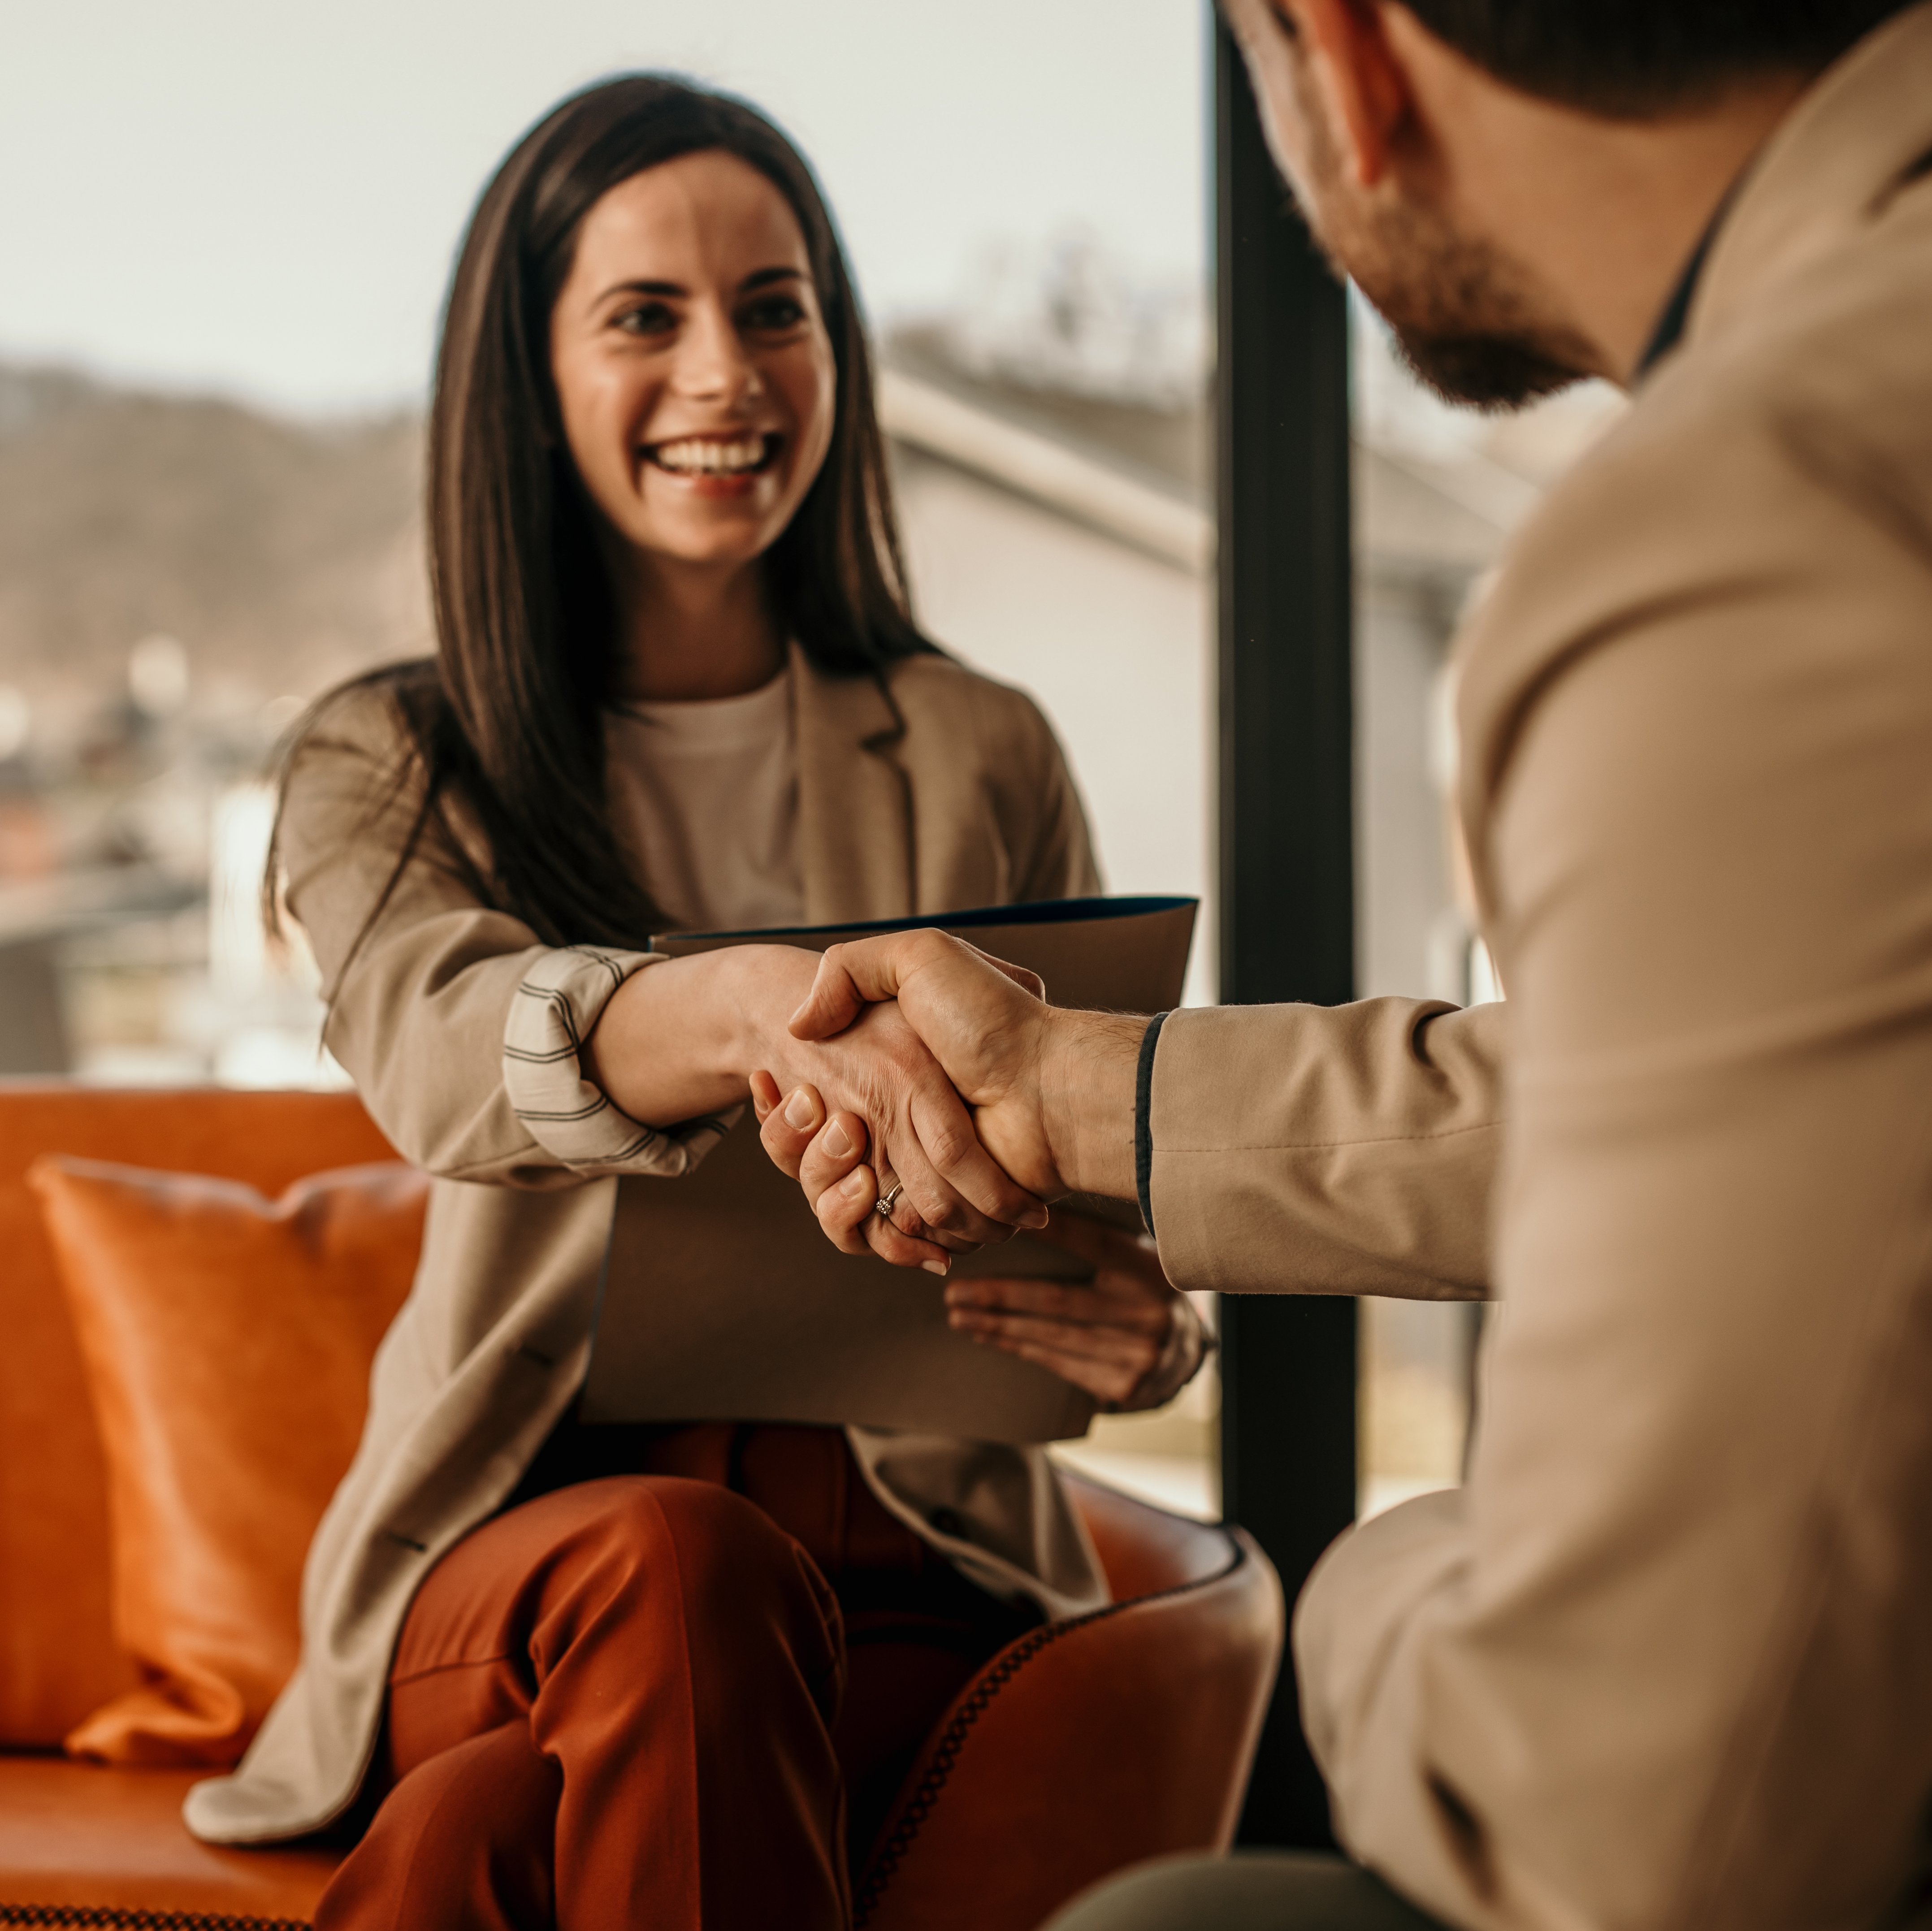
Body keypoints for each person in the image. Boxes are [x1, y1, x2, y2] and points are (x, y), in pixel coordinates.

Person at [756, 2, 1932, 1926]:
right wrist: (1071, 1090)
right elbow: (1771, 1067)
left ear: (1345, 59)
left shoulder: (1759, 515)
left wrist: (1378, 1587)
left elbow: (1620, 1848)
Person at [179, 75, 1206, 1931]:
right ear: (532, 376)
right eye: (645, 317)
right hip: (526, 1556)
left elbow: (1091, 1203)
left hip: (907, 1555)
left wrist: (1149, 1335)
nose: (726, 372)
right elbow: (435, 1054)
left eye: (775, 307)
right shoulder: (392, 759)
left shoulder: (983, 748)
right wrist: (735, 1005)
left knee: (488, 1834)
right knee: (674, 1562)